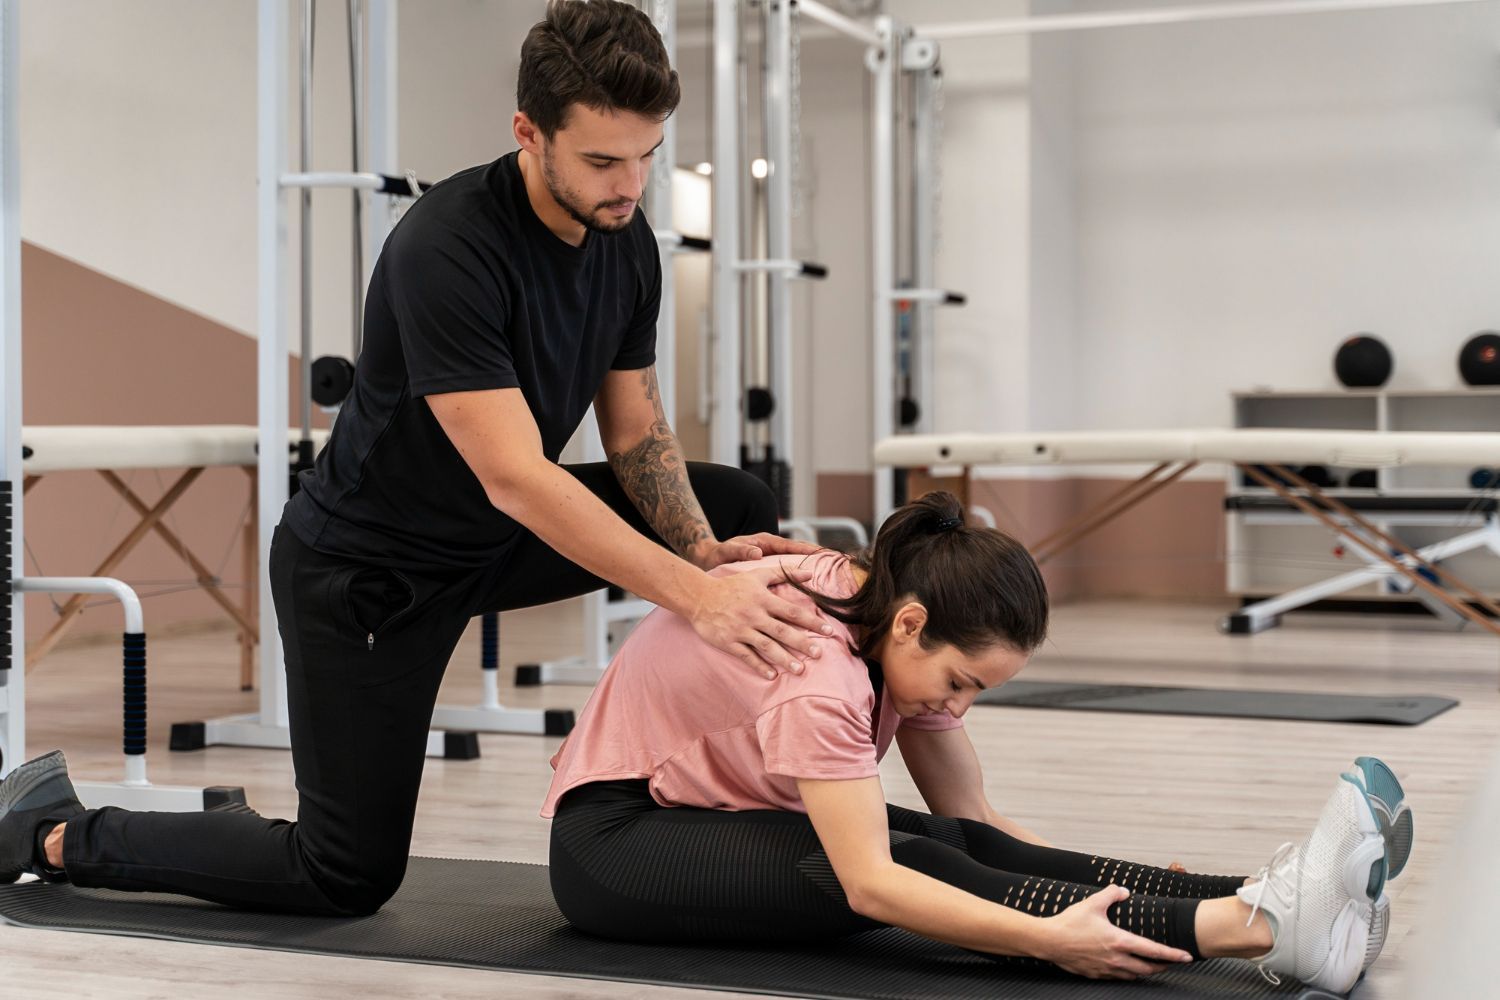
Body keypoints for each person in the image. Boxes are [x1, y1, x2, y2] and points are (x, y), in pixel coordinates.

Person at [0, 0, 830, 915]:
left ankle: (709, 782)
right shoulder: (449, 244)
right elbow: (514, 473)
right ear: (529, 132)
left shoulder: (624, 242)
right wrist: (697, 597)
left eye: (647, 156)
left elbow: (633, 430)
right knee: (343, 874)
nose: (630, 185)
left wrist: (704, 557)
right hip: (370, 573)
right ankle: (53, 830)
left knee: (736, 502)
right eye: (602, 160)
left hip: (487, 542)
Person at [542, 492, 1413, 992]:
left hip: (704, 818)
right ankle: (1256, 930)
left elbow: (973, 818)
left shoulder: (890, 605)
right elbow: (872, 885)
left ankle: (1266, 892)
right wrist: (1048, 939)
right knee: (894, 861)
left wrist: (1121, 879)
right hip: (614, 849)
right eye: (961, 682)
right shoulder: (823, 674)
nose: (958, 705)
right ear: (914, 625)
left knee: (948, 839)